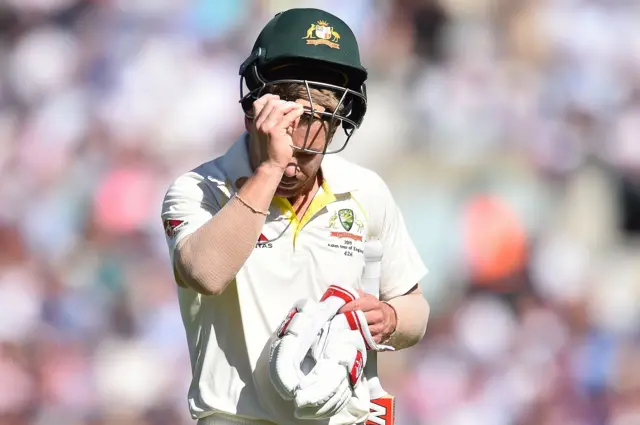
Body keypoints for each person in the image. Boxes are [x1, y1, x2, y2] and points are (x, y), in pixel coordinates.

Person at [161, 7, 430, 425]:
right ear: (254, 111)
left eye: (308, 149)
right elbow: (205, 274)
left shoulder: (365, 191)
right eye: (284, 140)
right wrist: (267, 170)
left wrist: (390, 319)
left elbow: (414, 307)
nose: (293, 164)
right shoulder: (199, 189)